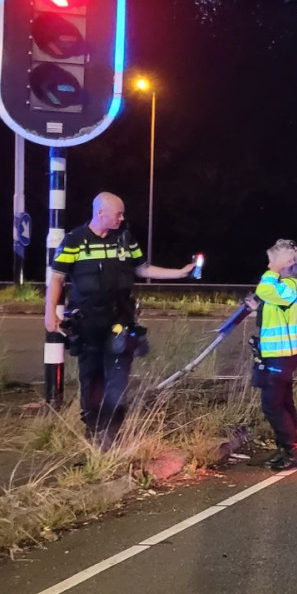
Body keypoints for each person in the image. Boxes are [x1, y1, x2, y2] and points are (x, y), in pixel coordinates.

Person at [45, 192, 193, 448]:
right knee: (91, 377)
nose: (122, 218)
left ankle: (111, 431)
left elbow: (142, 268)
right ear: (100, 213)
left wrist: (179, 273)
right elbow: (57, 278)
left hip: (120, 320)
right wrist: (50, 313)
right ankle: (94, 429)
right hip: (88, 322)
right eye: (118, 213)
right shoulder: (74, 241)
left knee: (117, 377)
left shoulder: (124, 239)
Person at [253, 239, 297, 471]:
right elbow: (270, 305)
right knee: (284, 402)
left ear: (284, 264)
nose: (268, 264)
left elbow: (264, 290)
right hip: (283, 354)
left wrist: (272, 270)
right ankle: (286, 448)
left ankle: (291, 450)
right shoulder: (289, 285)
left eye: (272, 260)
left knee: (271, 404)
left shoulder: (288, 285)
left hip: (281, 355)